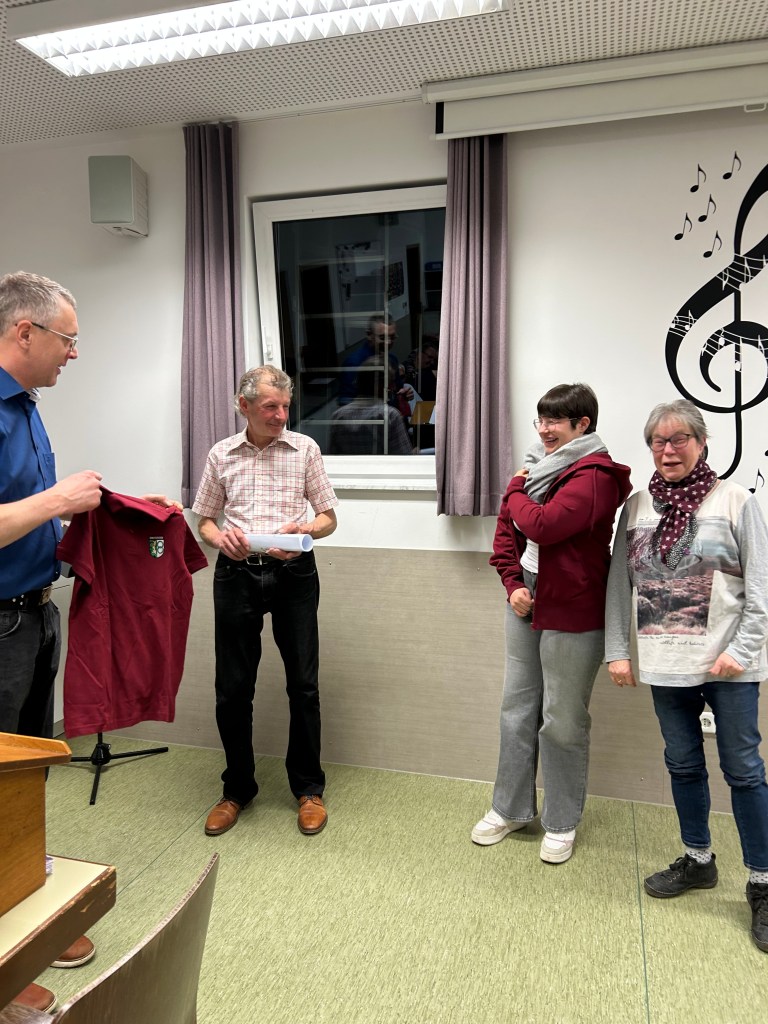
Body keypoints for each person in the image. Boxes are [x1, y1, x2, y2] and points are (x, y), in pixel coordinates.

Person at [0, 271, 176, 1013]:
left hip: (35, 614)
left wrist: (115, 509)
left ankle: (24, 914)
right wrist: (57, 499)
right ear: (25, 332)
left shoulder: (26, 408)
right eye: (68, 339)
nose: (75, 353)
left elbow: (31, 514)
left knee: (25, 776)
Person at [606, 399, 768, 953]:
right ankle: (699, 859)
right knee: (682, 764)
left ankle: (763, 881)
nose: (668, 450)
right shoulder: (637, 506)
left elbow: (761, 585)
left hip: (729, 664)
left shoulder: (735, 500)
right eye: (658, 441)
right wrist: (618, 651)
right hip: (665, 665)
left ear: (701, 443)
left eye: (679, 439)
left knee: (744, 770)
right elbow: (618, 582)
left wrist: (741, 651)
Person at [472, 383, 631, 863]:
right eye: (540, 420)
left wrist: (514, 489)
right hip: (525, 599)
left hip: (575, 607)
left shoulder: (597, 476)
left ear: (583, 424)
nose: (543, 429)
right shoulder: (536, 469)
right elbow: (507, 533)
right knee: (516, 709)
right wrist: (512, 585)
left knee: (562, 719)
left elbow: (544, 525)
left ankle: (562, 822)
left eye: (554, 421)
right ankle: (511, 808)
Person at [193, 365, 339, 838]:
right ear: (244, 406)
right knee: (233, 688)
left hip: (294, 573)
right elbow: (205, 520)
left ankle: (308, 789)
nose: (280, 416)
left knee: (304, 685)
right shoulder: (221, 454)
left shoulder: (305, 449)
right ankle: (237, 788)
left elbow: (328, 518)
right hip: (236, 574)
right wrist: (220, 539)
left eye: (285, 407)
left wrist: (304, 529)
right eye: (270, 407)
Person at [329, 357, 413, 455]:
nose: (394, 387)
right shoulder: (390, 415)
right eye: (391, 382)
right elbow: (404, 458)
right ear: (381, 385)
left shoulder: (338, 416)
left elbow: (333, 456)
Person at [338, 314, 411, 408]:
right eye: (382, 338)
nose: (388, 342)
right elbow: (346, 403)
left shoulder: (392, 359)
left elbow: (397, 389)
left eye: (392, 337)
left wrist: (403, 394)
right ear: (369, 335)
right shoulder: (354, 363)